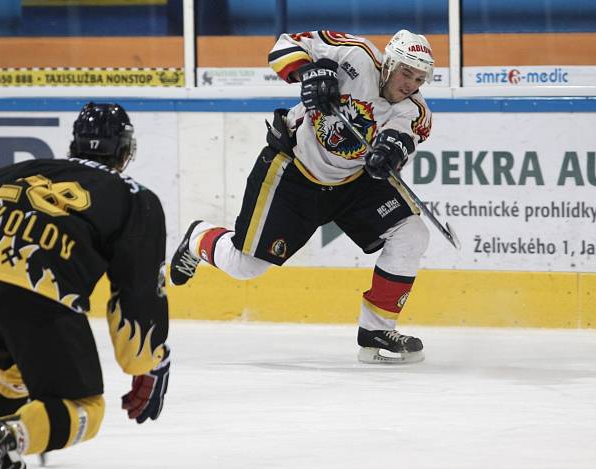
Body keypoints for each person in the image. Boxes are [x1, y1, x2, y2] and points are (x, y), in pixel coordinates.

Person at [0, 102, 171, 469]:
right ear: (125, 150)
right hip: (39, 287)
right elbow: (137, 293)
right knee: (83, 407)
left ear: (75, 143)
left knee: (16, 372)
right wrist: (147, 361)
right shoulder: (136, 199)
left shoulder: (30, 169)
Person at [170, 30, 434, 364]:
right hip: (294, 172)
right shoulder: (355, 54)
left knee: (412, 233)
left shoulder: (413, 110)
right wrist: (308, 72)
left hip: (353, 183)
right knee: (244, 265)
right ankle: (198, 238)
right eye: (406, 72)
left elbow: (403, 139)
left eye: (419, 78)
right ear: (389, 64)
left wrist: (391, 154)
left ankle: (377, 329)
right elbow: (286, 44)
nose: (411, 83)